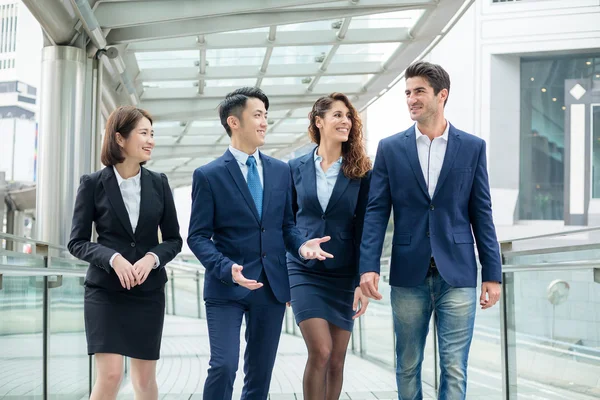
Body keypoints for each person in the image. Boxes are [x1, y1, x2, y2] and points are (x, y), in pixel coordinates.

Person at [359, 61, 502, 400]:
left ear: (442, 95)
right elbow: (377, 212)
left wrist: (492, 274)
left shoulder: (472, 147)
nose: (411, 99)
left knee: (454, 366)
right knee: (407, 364)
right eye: (407, 93)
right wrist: (368, 265)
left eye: (419, 91)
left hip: (459, 273)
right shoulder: (391, 148)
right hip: (409, 273)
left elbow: (481, 212)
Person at [187, 87, 333, 400]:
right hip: (227, 287)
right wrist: (227, 268)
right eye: (257, 115)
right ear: (234, 122)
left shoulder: (281, 171)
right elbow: (197, 236)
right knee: (223, 365)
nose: (264, 122)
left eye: (266, 115)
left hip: (271, 287)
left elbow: (286, 227)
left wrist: (303, 246)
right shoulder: (208, 175)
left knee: (260, 372)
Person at [68, 106, 183, 400]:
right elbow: (77, 241)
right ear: (120, 138)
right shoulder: (93, 183)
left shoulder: (159, 183)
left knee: (144, 380)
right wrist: (112, 258)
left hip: (148, 292)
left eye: (152, 134)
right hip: (105, 291)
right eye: (144, 133)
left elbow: (173, 239)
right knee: (110, 376)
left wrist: (151, 258)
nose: (150, 140)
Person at [287, 93, 371, 399]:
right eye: (337, 115)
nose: (345, 121)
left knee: (336, 359)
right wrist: (296, 250)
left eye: (348, 116)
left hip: (343, 274)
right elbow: (286, 223)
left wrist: (362, 279)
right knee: (320, 351)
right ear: (318, 122)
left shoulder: (361, 173)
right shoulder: (293, 168)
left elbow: (364, 229)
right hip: (303, 270)